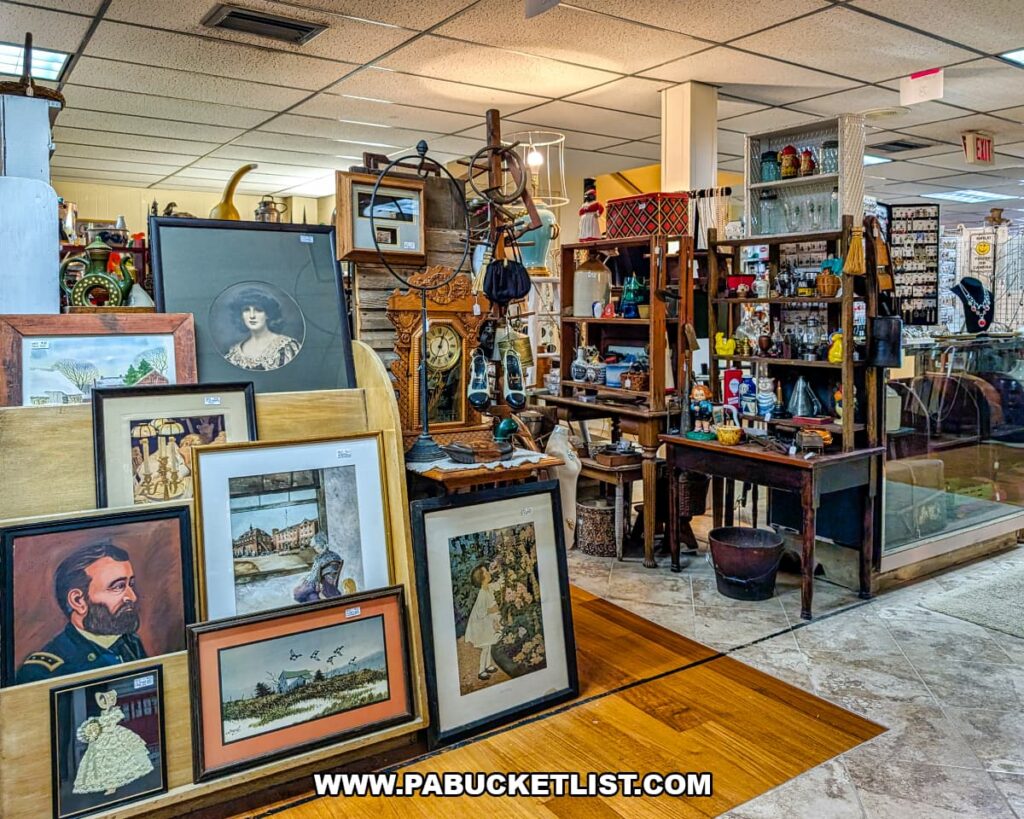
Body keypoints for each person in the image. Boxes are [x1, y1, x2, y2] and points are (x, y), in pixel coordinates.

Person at [17, 543, 146, 684]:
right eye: (118, 587)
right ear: (78, 601)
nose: (132, 597)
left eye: (131, 585)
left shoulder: (130, 643)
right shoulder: (44, 672)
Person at [73, 689, 154, 796]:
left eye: (106, 700)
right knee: (103, 763)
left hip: (113, 735)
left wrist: (103, 725)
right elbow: (99, 724)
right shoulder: (101, 714)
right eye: (102, 701)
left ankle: (117, 783)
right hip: (103, 737)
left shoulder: (115, 712)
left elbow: (111, 723)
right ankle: (110, 786)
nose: (104, 703)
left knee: (118, 759)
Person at [224, 288, 301, 372]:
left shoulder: (288, 346)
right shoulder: (233, 354)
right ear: (241, 315)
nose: (252, 316)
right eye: (246, 310)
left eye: (258, 310)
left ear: (268, 314)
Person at [464, 562, 502, 681]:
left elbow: (499, 585)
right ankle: (481, 671)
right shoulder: (482, 594)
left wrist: (501, 572)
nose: (489, 573)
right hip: (482, 626)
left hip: (488, 624)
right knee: (485, 648)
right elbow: (480, 612)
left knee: (489, 645)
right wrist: (492, 609)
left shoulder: (488, 588)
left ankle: (488, 665)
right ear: (482, 578)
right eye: (486, 572)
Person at [292, 533, 344, 604]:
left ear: (320, 544)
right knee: (312, 597)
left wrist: (305, 581)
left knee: (296, 593)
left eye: (315, 546)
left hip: (319, 586)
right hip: (330, 587)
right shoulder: (335, 556)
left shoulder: (319, 558)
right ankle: (316, 601)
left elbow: (314, 578)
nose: (315, 549)